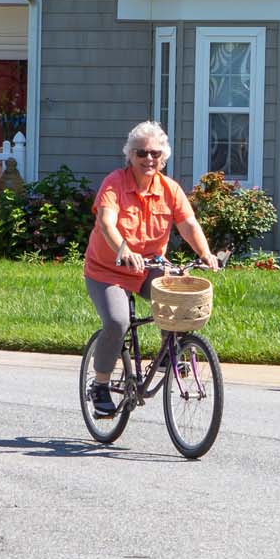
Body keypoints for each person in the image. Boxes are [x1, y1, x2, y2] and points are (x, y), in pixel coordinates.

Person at [83, 121, 219, 417]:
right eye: (141, 153)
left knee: (179, 294)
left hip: (148, 267)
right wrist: (124, 249)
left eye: (155, 154)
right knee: (117, 322)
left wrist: (205, 253)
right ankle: (101, 384)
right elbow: (106, 222)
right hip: (107, 270)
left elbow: (188, 224)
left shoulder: (170, 189)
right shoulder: (114, 183)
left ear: (163, 157)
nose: (148, 159)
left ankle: (172, 351)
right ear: (130, 155)